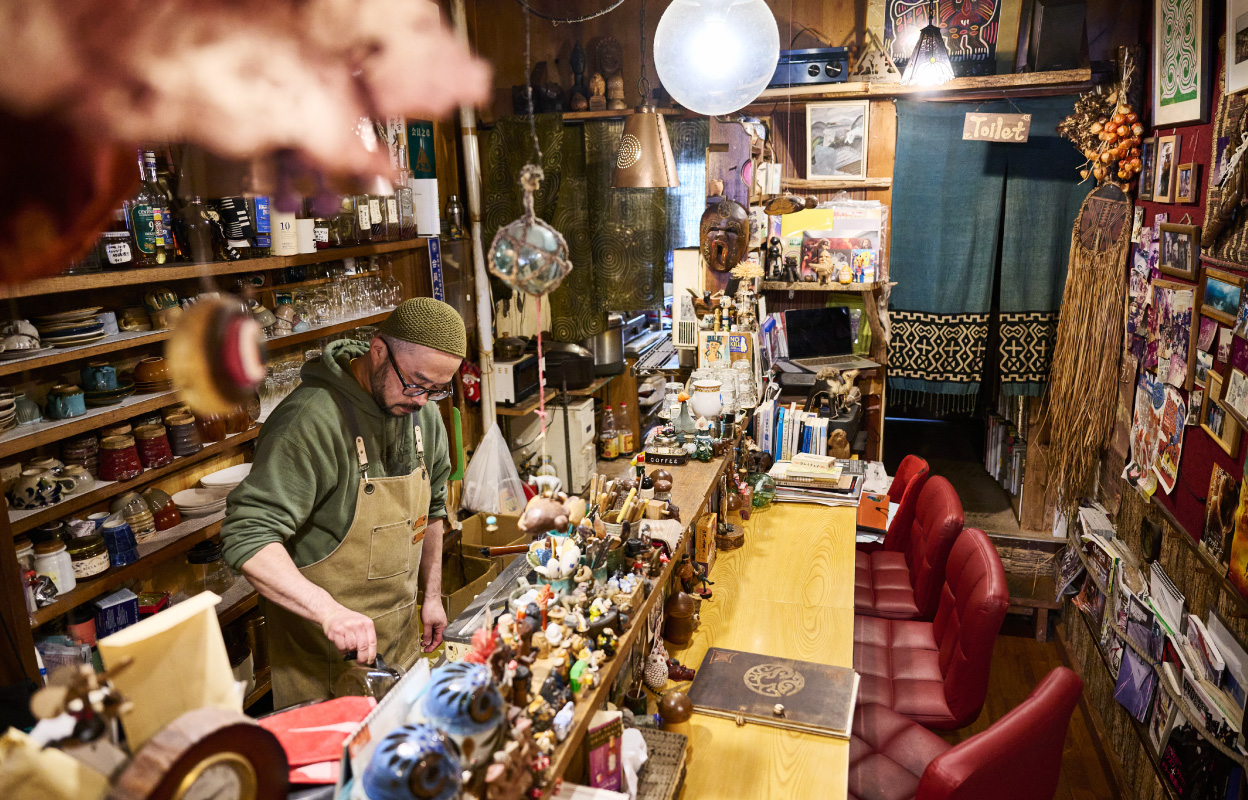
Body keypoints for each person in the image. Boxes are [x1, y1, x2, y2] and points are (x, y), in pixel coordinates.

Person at [221, 298, 465, 708]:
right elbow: (248, 535)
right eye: (416, 383)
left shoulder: (424, 416)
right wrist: (329, 612)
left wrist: (433, 595)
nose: (423, 400)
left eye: (437, 390)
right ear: (378, 351)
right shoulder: (308, 422)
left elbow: (434, 509)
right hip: (324, 671)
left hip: (401, 650)